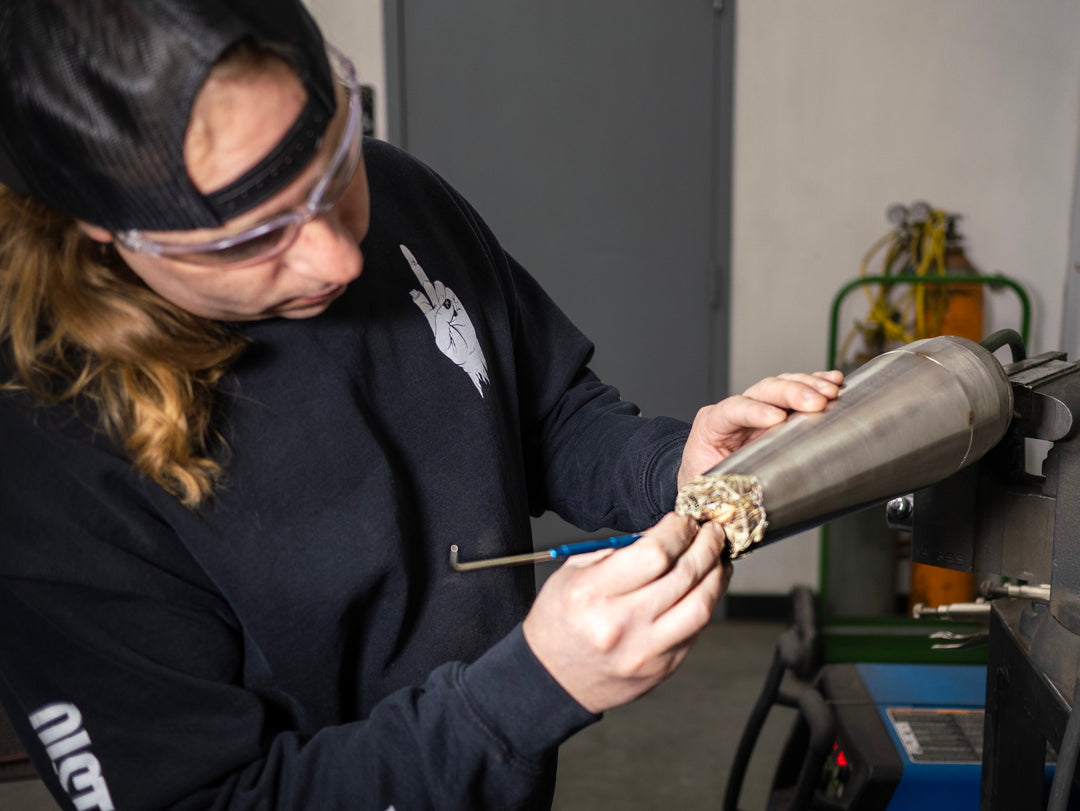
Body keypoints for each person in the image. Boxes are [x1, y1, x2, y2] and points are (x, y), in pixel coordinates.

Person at [0, 1, 842, 809]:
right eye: (251, 238)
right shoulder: (46, 455)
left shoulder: (401, 195)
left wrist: (670, 466)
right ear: (102, 230)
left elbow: (545, 412)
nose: (336, 255)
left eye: (332, 166)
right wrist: (526, 694)